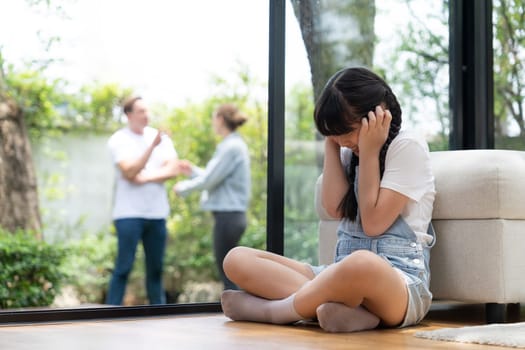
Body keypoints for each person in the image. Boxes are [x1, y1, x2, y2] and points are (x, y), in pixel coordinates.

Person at [220, 67, 436, 333]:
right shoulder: (348, 149)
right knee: (236, 259)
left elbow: (373, 224)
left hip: (400, 285)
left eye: (347, 130)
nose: (343, 140)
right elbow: (334, 208)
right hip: (339, 277)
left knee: (361, 262)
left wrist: (369, 153)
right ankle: (349, 313)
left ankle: (276, 311)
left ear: (377, 115)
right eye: (336, 133)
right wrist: (332, 143)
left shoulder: (407, 146)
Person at [106, 96, 186, 305]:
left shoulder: (161, 138)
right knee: (123, 267)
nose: (146, 115)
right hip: (128, 215)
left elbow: (173, 168)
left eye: (147, 110)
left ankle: (158, 314)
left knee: (156, 269)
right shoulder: (119, 139)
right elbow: (129, 171)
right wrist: (151, 148)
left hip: (157, 214)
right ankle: (110, 314)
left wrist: (147, 177)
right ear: (129, 115)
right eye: (141, 111)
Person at [173, 103, 251, 290]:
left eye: (214, 118)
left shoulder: (231, 146)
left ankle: (238, 312)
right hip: (231, 217)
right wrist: (192, 171)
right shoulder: (232, 145)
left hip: (229, 217)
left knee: (228, 274)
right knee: (228, 272)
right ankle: (238, 312)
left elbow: (209, 180)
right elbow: (215, 177)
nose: (212, 123)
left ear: (220, 119)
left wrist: (182, 188)